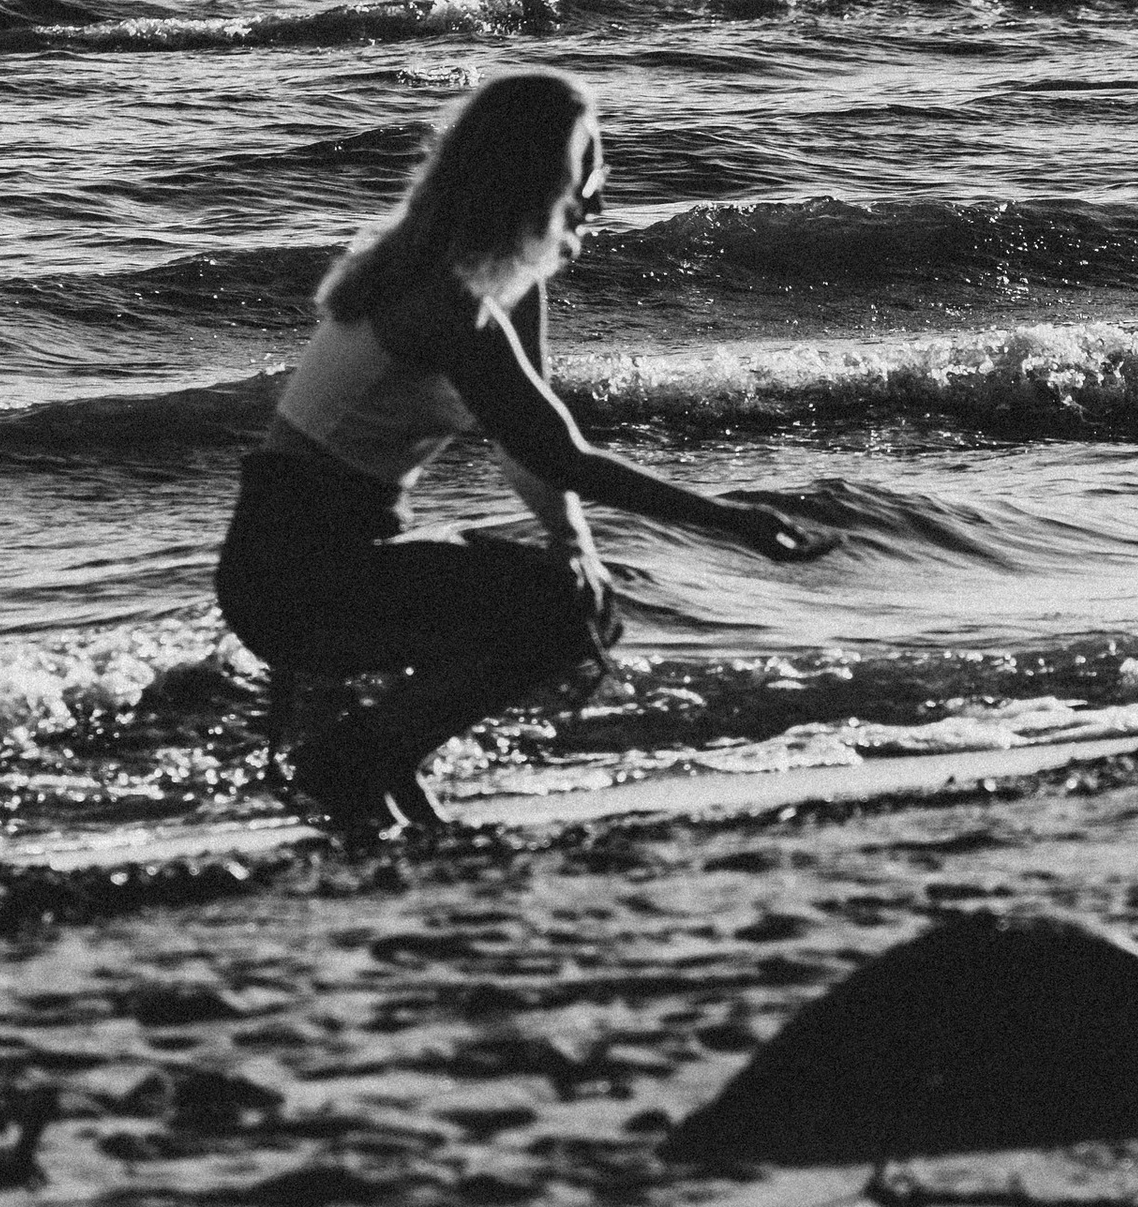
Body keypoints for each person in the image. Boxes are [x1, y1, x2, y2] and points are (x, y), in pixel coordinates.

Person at [216, 66, 827, 831]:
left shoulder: (483, 280)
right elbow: (562, 455)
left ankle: (393, 788)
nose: (600, 195)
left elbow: (526, 449)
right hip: (294, 576)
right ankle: (355, 761)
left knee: (566, 595)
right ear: (536, 178)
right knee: (556, 614)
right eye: (587, 166)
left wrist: (575, 543)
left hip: (321, 557)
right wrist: (731, 520)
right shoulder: (445, 300)